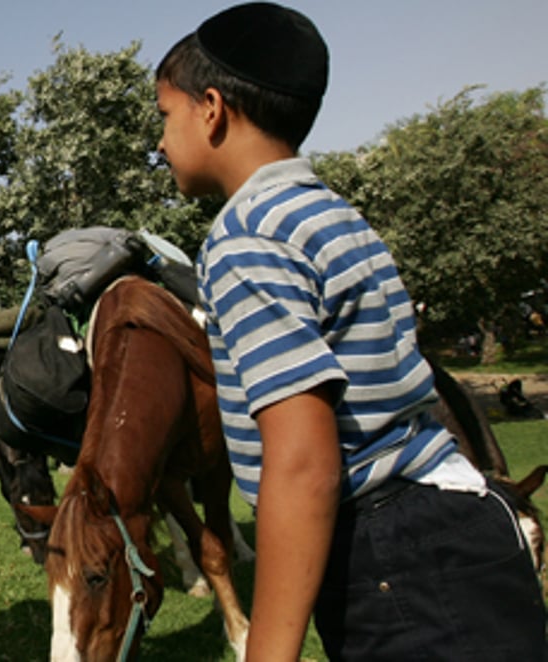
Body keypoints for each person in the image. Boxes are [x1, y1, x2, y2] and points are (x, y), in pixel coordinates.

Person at [154, 4, 546, 660]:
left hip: (392, 554)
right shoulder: (332, 214)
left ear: (212, 109)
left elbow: (304, 464)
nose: (161, 143)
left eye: (165, 117)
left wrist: (270, 652)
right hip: (457, 521)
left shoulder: (244, 238)